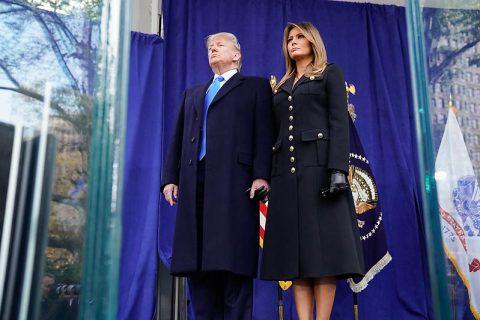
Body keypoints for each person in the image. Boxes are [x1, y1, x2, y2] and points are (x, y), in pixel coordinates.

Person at [161, 32, 274, 319]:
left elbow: (264, 133)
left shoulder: (255, 87)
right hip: (194, 183)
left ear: (237, 54)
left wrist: (262, 175)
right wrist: (169, 178)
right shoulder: (194, 93)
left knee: (232, 265)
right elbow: (178, 138)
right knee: (198, 267)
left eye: (219, 45)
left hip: (234, 186)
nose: (212, 49)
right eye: (210, 46)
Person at [260, 22, 365, 320]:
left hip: (320, 175)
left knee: (323, 258)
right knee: (297, 260)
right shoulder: (281, 85)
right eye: (289, 39)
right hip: (286, 179)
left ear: (312, 40)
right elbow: (273, 135)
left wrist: (336, 170)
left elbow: (338, 122)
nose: (293, 42)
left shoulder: (330, 73)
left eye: (299, 37)